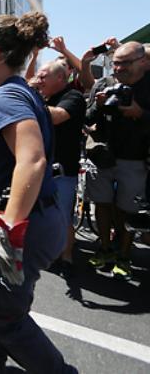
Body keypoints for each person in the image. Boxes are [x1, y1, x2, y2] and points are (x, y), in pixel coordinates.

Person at [0, 12, 76, 373]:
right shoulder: (20, 91)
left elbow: (31, 161)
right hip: (40, 216)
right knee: (1, 301)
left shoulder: (5, 98)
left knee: (2, 311)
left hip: (23, 226)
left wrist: (9, 229)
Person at [85, 41, 150, 280]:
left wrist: (140, 114)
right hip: (103, 156)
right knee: (101, 204)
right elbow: (88, 116)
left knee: (127, 209)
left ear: (143, 62)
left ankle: (124, 255)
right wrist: (99, 107)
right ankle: (104, 249)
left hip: (134, 159)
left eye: (124, 63)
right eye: (115, 63)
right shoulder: (104, 83)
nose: (118, 68)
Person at [35, 60, 86, 278]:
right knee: (45, 215)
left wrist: (28, 100)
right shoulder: (43, 98)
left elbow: (57, 116)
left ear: (60, 78)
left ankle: (67, 257)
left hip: (64, 171)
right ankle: (51, 253)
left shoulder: (73, 97)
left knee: (63, 216)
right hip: (43, 169)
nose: (39, 80)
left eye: (43, 76)